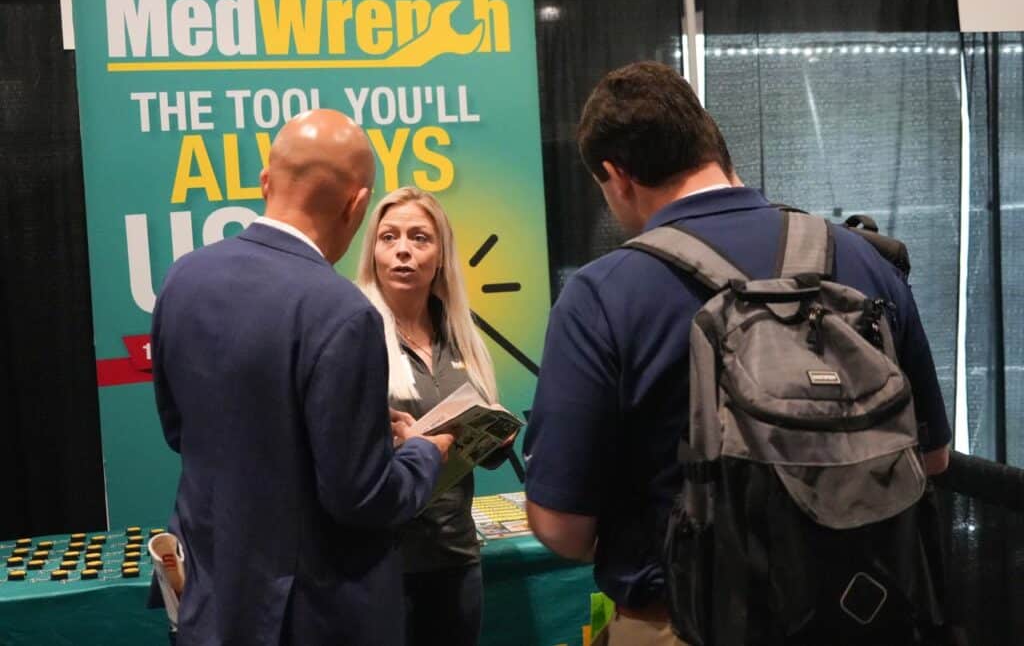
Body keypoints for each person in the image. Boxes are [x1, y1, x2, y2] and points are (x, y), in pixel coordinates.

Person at [523, 62, 952, 646]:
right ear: (714, 145)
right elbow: (931, 459)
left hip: (689, 621)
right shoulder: (866, 260)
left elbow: (561, 527)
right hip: (869, 612)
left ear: (617, 176)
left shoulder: (602, 293)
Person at [151, 110, 454, 645]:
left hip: (212, 600)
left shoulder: (183, 278)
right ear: (357, 204)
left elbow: (182, 430)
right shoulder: (342, 312)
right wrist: (423, 455)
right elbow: (361, 499)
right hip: (310, 615)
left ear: (265, 182)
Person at [355, 186, 509, 646]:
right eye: (389, 237)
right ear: (373, 252)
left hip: (455, 554)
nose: (403, 249)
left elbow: (484, 456)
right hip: (382, 561)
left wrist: (494, 436)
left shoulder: (460, 332)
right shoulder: (354, 332)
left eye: (419, 237)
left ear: (441, 255)